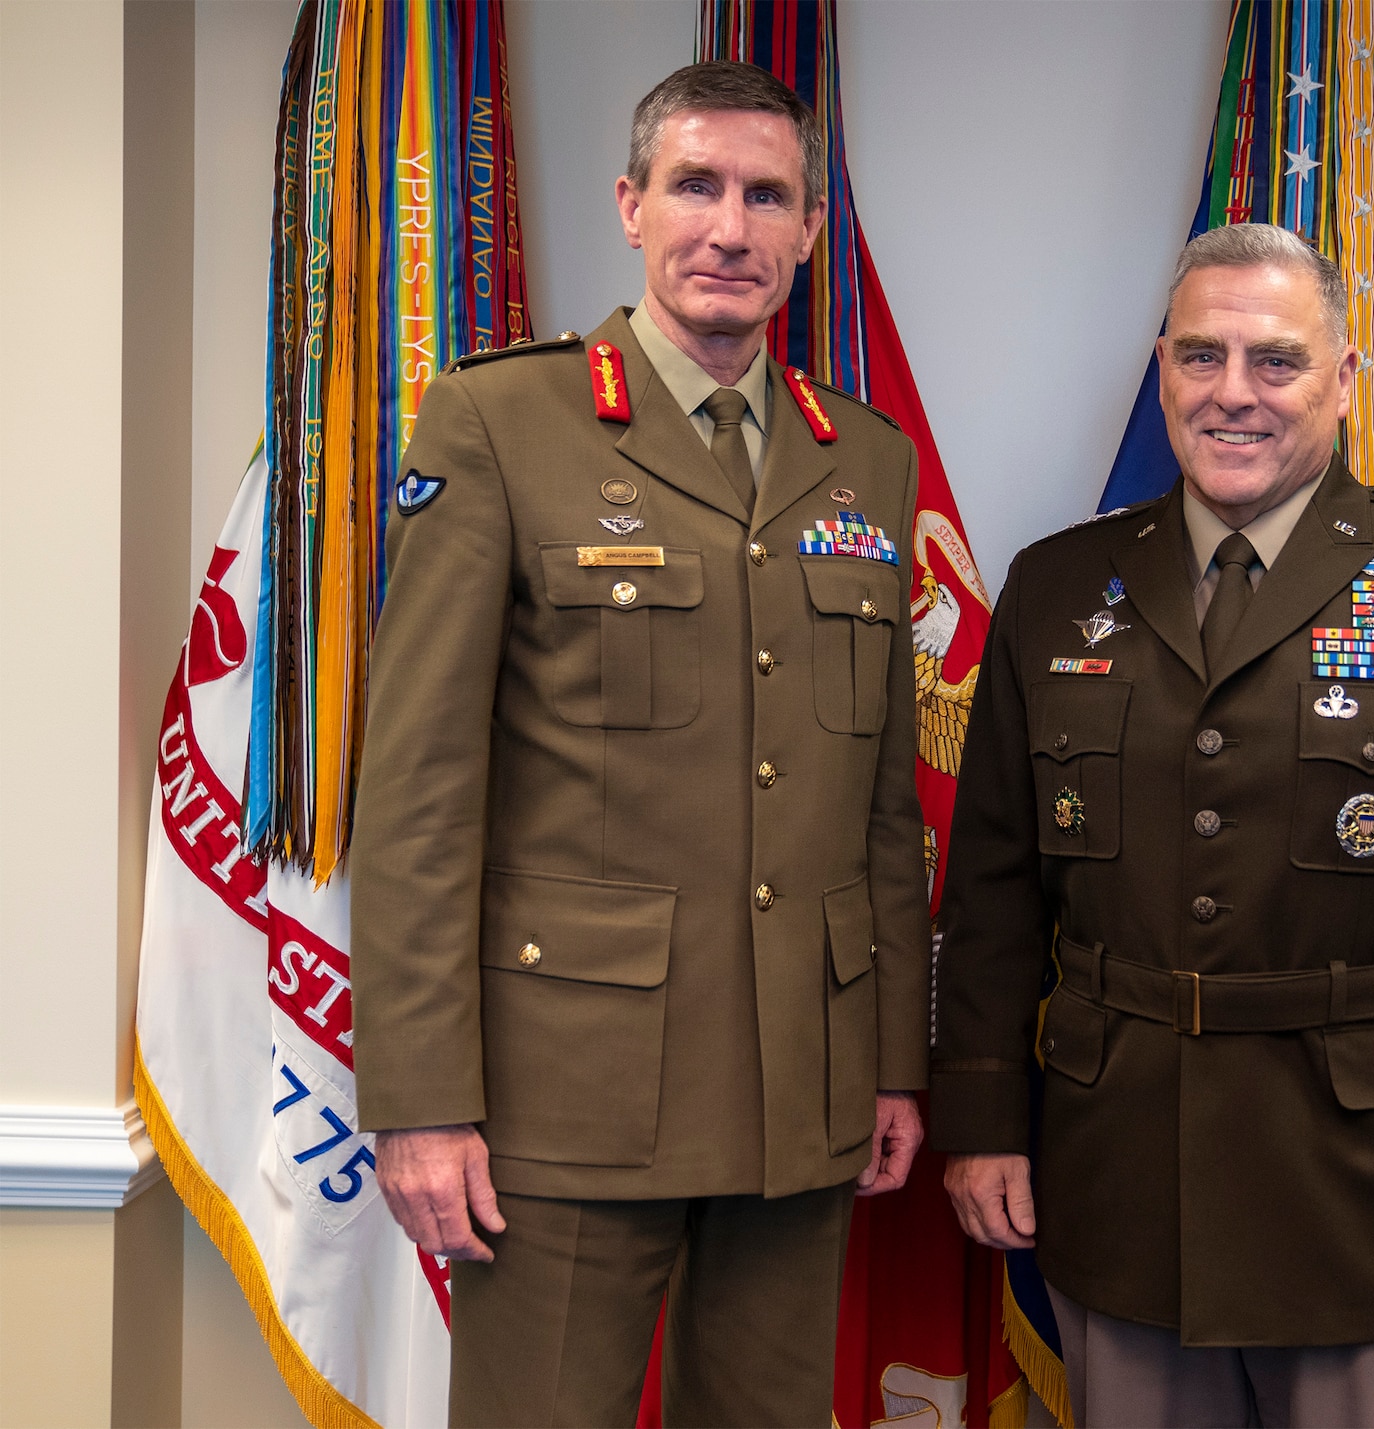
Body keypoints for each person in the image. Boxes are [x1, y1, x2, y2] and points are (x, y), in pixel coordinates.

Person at [931, 223, 1374, 1428]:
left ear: (1346, 377)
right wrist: (980, 1119)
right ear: (1160, 370)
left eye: (1275, 361)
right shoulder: (1054, 587)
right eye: (1200, 356)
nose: (1231, 392)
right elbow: (991, 889)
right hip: (1127, 1180)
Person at [348, 60, 930, 1428]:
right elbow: (422, 790)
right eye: (695, 186)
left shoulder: (867, 460)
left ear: (803, 232)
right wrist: (422, 1101)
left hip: (803, 1086)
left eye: (766, 195)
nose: (729, 227)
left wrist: (893, 1060)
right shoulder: (502, 423)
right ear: (631, 205)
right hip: (567, 1098)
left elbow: (880, 803)